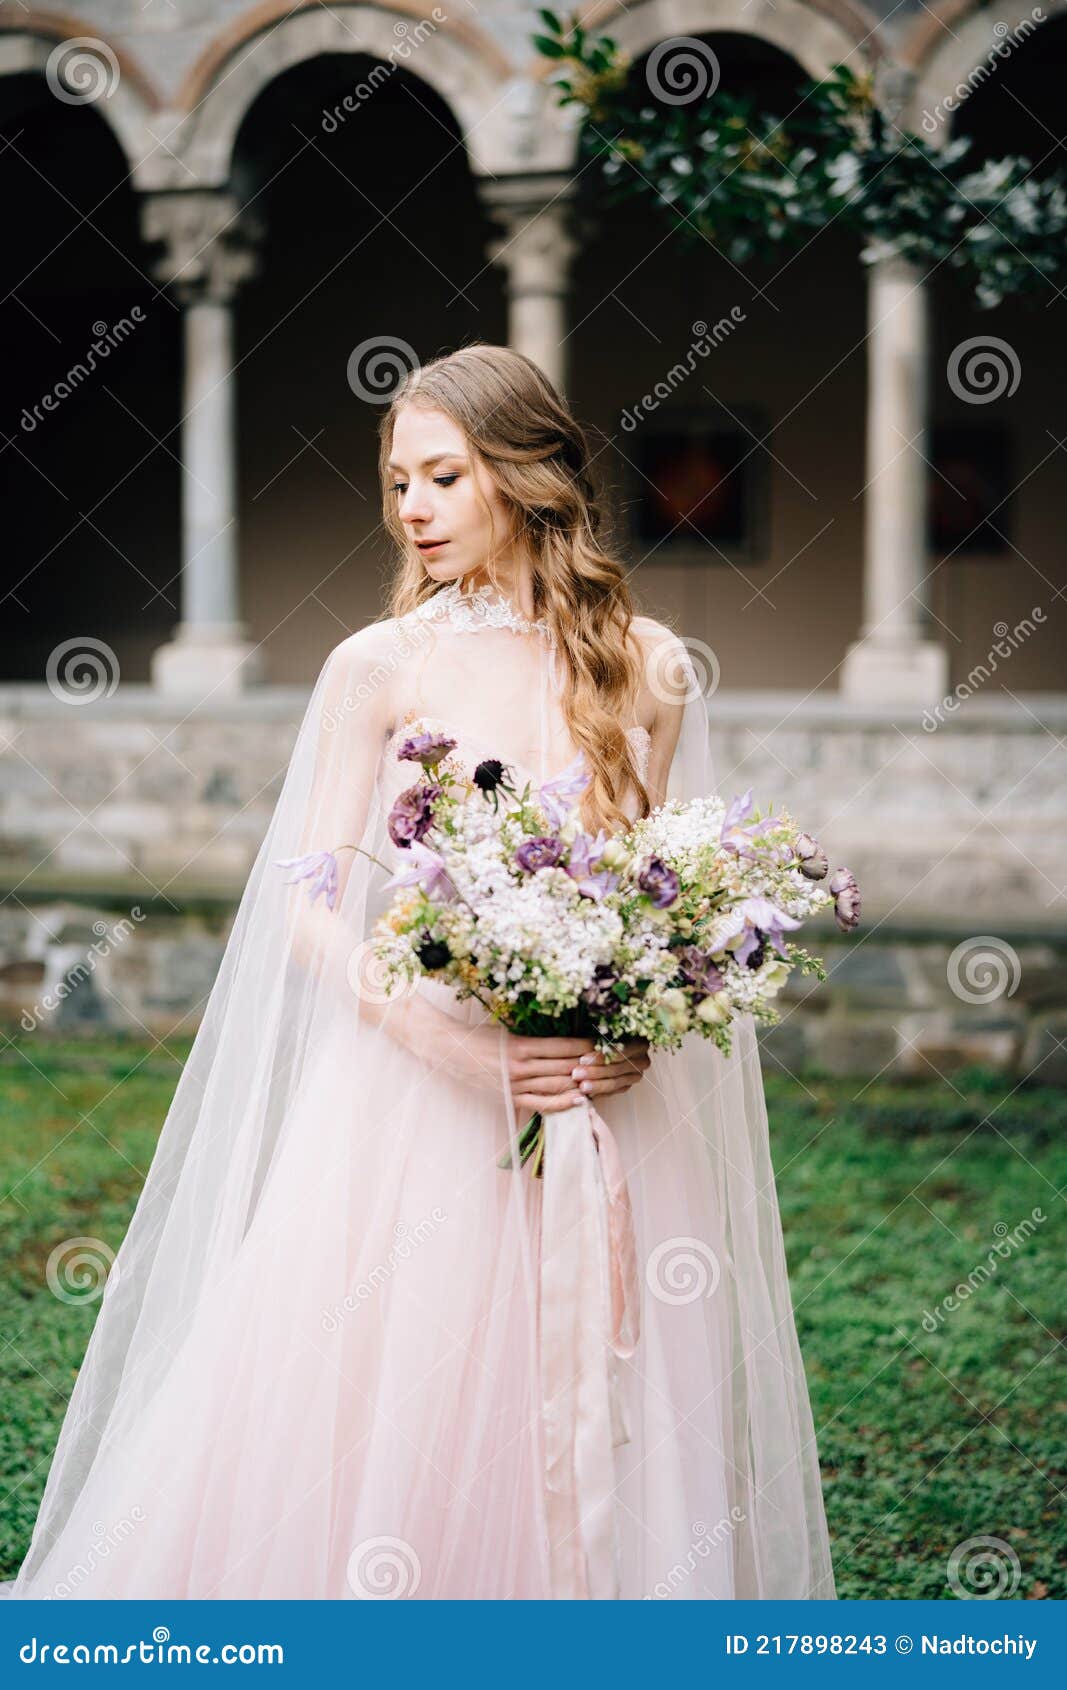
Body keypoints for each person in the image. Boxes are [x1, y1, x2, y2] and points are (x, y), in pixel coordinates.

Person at [3, 343, 834, 1601]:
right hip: (413, 1093)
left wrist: (635, 1028)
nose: (412, 509)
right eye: (398, 483)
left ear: (523, 476)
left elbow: (662, 891)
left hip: (596, 1101)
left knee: (594, 1397)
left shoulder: (648, 665)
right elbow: (307, 897)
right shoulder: (379, 666)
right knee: (402, 1390)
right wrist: (443, 1038)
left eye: (442, 477)